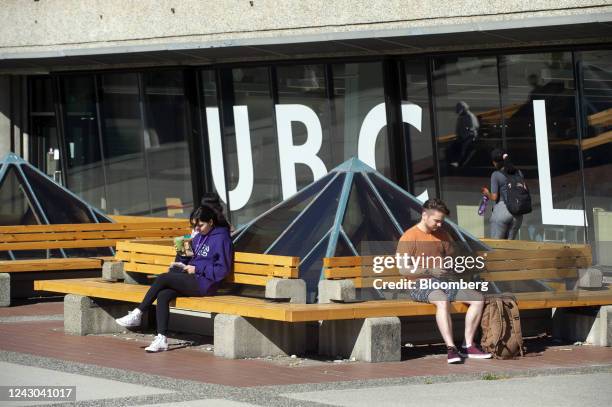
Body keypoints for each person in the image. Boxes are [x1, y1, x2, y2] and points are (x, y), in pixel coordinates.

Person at [115, 203, 233, 352]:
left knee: (164, 278)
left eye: (200, 225)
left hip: (206, 283)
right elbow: (187, 260)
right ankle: (161, 339)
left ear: (211, 222)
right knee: (163, 295)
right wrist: (182, 249)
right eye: (194, 226)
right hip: (191, 279)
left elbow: (223, 270)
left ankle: (138, 312)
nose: (197, 229)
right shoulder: (198, 236)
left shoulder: (222, 238)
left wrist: (197, 268)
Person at [396, 198, 490, 364]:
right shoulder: (409, 237)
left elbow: (453, 257)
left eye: (442, 221)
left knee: (478, 298)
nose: (439, 225)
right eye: (436, 221)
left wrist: (450, 264)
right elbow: (403, 269)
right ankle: (451, 348)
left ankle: (468, 346)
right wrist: (429, 270)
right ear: (424, 215)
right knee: (442, 299)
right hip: (419, 283)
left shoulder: (443, 234)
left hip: (445, 281)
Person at [481, 149, 524, 240]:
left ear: (494, 162)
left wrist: (487, 193)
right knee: (509, 247)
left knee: (497, 246)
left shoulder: (496, 175)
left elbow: (494, 197)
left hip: (502, 211)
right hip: (517, 213)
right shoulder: (518, 173)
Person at [449, 101, 479, 168]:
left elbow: (473, 128)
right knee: (452, 146)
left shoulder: (470, 116)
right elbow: (458, 128)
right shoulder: (460, 117)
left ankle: (460, 163)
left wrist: (465, 135)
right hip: (462, 137)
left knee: (464, 147)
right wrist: (458, 136)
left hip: (470, 136)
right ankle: (454, 161)